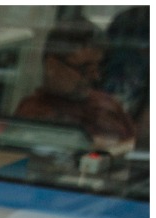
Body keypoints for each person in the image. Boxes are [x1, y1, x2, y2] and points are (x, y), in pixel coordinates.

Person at [15, 16, 137, 150]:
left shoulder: (107, 103)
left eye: (97, 68)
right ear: (52, 66)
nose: (95, 77)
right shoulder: (34, 114)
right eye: (84, 68)